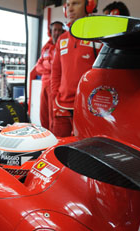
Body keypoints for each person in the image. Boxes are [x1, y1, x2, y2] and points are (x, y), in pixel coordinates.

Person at [50, 0, 102, 137]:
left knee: (83, 152)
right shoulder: (62, 39)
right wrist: (55, 97)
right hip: (62, 107)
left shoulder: (98, 38)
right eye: (68, 5)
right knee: (58, 150)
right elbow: (55, 72)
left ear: (88, 6)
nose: (70, 9)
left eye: (76, 3)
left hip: (87, 108)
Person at [35, 21, 64, 130]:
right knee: (43, 113)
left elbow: (60, 68)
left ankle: (52, 138)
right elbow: (38, 67)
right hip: (44, 85)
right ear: (50, 32)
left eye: (59, 30)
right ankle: (44, 135)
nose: (57, 33)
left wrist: (47, 66)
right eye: (54, 30)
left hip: (55, 86)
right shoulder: (46, 47)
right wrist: (48, 67)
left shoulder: (63, 45)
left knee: (53, 115)